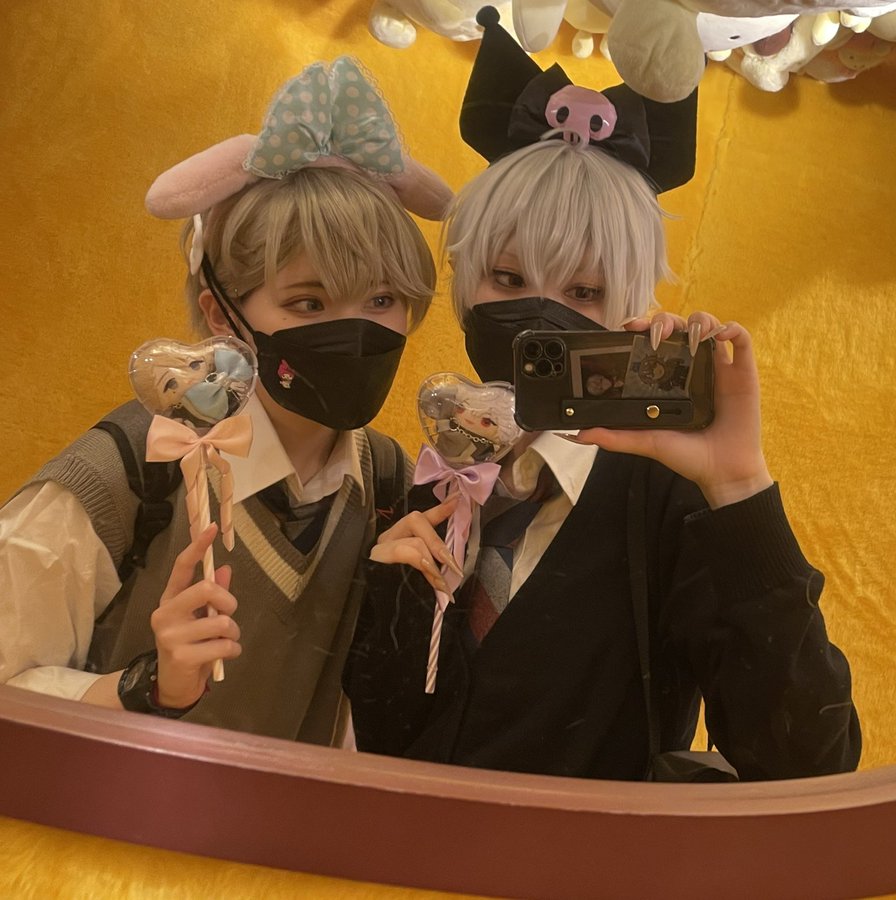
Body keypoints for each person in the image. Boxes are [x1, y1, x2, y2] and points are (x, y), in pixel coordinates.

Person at [344, 12, 861, 781]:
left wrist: (739, 489)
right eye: (508, 279)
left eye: (583, 291)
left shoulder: (668, 503)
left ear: (628, 303)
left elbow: (808, 762)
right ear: (465, 280)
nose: (540, 314)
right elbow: (391, 740)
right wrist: (396, 610)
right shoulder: (432, 477)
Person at [0, 57, 451, 746]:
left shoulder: (389, 483)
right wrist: (144, 688)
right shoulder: (130, 469)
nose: (358, 331)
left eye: (383, 299)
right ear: (220, 314)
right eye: (308, 302)